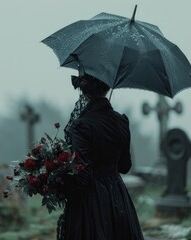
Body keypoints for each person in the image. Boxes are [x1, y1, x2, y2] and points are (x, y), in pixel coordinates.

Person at [57, 71, 144, 240]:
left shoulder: (81, 125)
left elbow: (82, 174)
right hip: (118, 195)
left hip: (90, 202)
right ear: (107, 87)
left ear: (84, 90)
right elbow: (124, 166)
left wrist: (60, 185)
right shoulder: (121, 121)